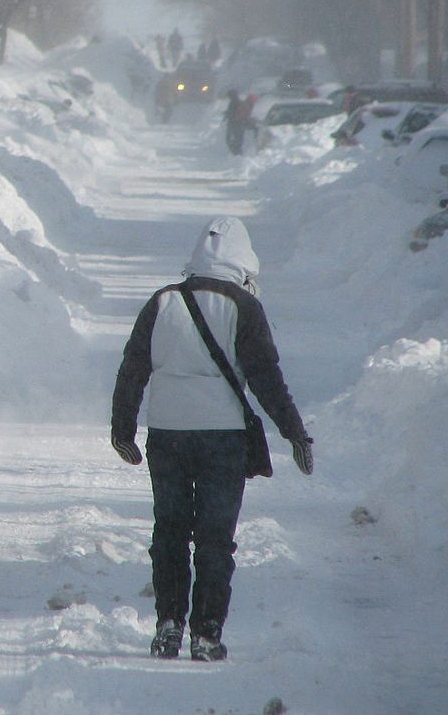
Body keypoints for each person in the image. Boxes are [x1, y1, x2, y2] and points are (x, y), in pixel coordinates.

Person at [110, 216, 314, 662]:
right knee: (215, 538)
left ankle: (167, 627)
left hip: (168, 435)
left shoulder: (162, 302)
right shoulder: (243, 306)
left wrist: (122, 429)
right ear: (245, 261)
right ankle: (206, 634)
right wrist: (295, 432)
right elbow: (266, 379)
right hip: (223, 439)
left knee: (169, 531)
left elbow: (133, 369)